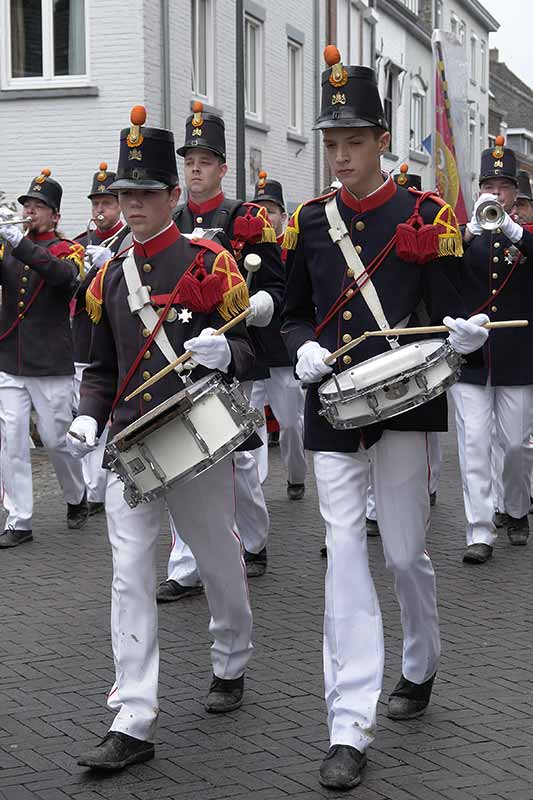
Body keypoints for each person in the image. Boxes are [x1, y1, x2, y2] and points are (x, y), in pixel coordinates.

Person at [281, 48, 488, 790]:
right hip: (332, 406)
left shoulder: (423, 214)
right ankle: (348, 722)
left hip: (405, 404)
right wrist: (299, 345)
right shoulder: (308, 222)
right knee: (343, 553)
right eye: (330, 143)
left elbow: (457, 301)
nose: (338, 157)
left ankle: (420, 663)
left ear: (378, 141)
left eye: (352, 142)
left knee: (402, 554)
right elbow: (296, 309)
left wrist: (465, 330)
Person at [68, 106, 255, 771]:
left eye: (146, 193)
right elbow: (102, 369)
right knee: (127, 576)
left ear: (173, 195)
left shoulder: (208, 259)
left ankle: (232, 655)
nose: (134, 204)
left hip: (195, 438)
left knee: (215, 557)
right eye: (125, 194)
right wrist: (90, 415)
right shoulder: (109, 276)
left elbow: (252, 351)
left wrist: (224, 353)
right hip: (130, 445)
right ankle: (133, 716)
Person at [157, 102, 285, 601]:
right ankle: (186, 565)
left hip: (236, 354)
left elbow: (277, 285)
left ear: (222, 168)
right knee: (183, 458)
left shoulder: (245, 218)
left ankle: (252, 541)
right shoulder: (168, 220)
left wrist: (258, 303)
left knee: (241, 463)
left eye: (205, 160)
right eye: (189, 160)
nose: (194, 168)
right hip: (182, 354)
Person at [451, 139, 533, 564]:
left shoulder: (525, 234)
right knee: (475, 445)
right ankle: (479, 530)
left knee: (517, 445)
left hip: (517, 358)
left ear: (515, 193)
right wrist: (466, 234)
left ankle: (516, 510)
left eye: (503, 187)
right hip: (471, 359)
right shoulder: (464, 233)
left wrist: (516, 232)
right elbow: (441, 274)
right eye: (489, 186)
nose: (496, 194)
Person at [0, 170, 88, 547]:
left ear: (55, 215)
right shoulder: (8, 246)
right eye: (27, 206)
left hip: (50, 363)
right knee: (12, 439)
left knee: (56, 441)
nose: (30, 212)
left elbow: (62, 277)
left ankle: (76, 494)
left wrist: (18, 242)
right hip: (10, 359)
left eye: (38, 207)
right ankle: (19, 519)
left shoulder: (69, 250)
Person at [72, 163, 130, 515]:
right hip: (85, 341)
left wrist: (108, 265)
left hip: (118, 341)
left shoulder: (127, 242)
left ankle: (99, 486)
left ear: (118, 205)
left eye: (107, 203)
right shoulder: (80, 244)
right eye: (96, 203)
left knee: (111, 418)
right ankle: (93, 489)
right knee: (87, 416)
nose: (99, 210)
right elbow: (74, 294)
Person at [249, 171, 306, 495]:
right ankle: (254, 487)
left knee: (290, 424)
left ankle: (296, 475)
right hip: (254, 351)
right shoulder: (248, 246)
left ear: (283, 215)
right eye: (260, 209)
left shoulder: (292, 248)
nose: (265, 216)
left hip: (284, 351)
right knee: (251, 422)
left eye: (270, 210)